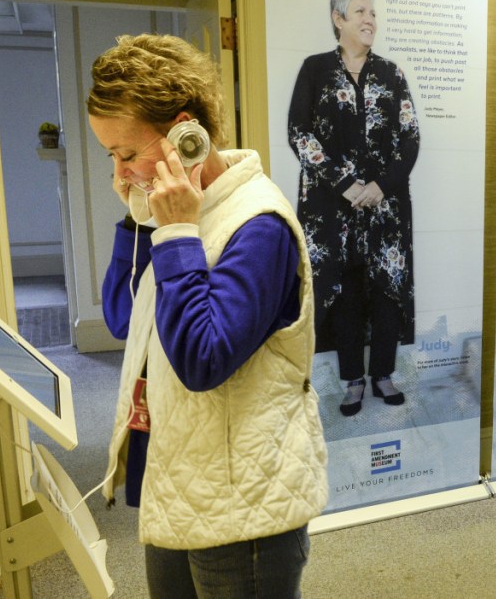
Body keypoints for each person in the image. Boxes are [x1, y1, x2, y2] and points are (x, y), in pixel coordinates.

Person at [90, 34, 327, 599]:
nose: (120, 175)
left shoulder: (257, 224)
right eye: (111, 158)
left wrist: (173, 233)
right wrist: (141, 218)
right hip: (176, 482)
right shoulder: (176, 211)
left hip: (241, 507)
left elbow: (203, 359)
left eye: (128, 154)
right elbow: (124, 320)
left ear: (184, 133)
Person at [288, 0, 420, 417]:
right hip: (332, 207)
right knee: (343, 292)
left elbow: (410, 137)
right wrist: (346, 184)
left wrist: (380, 186)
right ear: (338, 18)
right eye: (360, 12)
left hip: (386, 207)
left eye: (373, 13)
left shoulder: (392, 73)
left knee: (385, 289)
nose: (370, 20)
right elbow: (299, 133)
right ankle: (352, 380)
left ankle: (383, 373)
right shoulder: (315, 70)